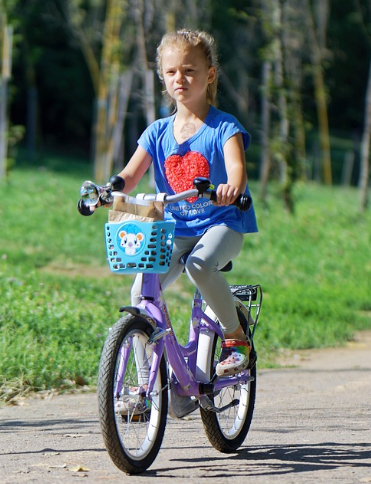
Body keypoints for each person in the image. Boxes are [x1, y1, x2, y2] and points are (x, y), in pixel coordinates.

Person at [112, 29, 258, 377]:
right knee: (141, 291)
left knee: (199, 265)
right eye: (172, 71)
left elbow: (237, 169)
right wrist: (110, 189)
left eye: (190, 70)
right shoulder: (158, 132)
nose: (181, 78)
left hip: (223, 222)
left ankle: (236, 339)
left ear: (209, 75)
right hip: (175, 227)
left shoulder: (224, 127)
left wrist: (230, 189)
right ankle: (148, 380)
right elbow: (130, 175)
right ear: (162, 77)